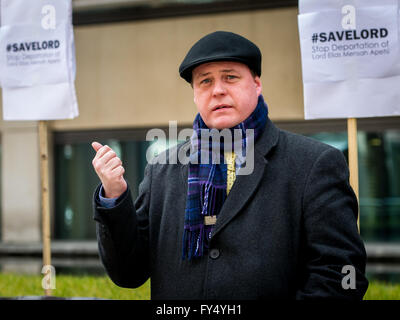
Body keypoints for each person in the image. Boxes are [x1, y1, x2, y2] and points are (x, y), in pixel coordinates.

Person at [91, 31, 368, 299]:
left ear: (257, 84)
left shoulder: (313, 163)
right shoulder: (162, 169)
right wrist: (115, 196)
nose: (218, 90)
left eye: (230, 77)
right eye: (205, 82)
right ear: (195, 94)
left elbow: (341, 273)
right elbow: (129, 273)